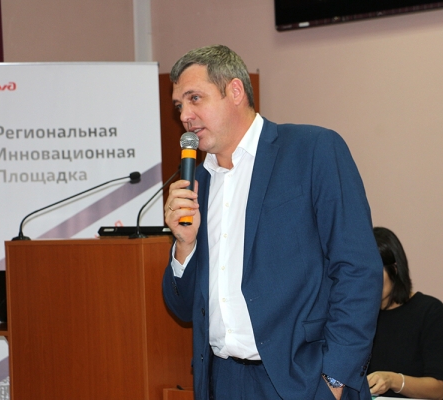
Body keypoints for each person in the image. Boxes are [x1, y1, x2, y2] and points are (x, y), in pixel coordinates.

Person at [161, 44, 382, 400]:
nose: (185, 115)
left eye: (195, 98)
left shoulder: (312, 150)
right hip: (222, 381)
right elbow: (184, 310)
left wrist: (335, 379)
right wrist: (184, 246)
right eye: (179, 106)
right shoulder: (197, 184)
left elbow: (358, 269)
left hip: (302, 381)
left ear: (235, 91)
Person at [367, 227, 443, 400]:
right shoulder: (356, 316)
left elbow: (439, 389)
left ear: (395, 269)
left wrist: (392, 380)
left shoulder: (431, 313)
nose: (366, 282)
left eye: (374, 273)